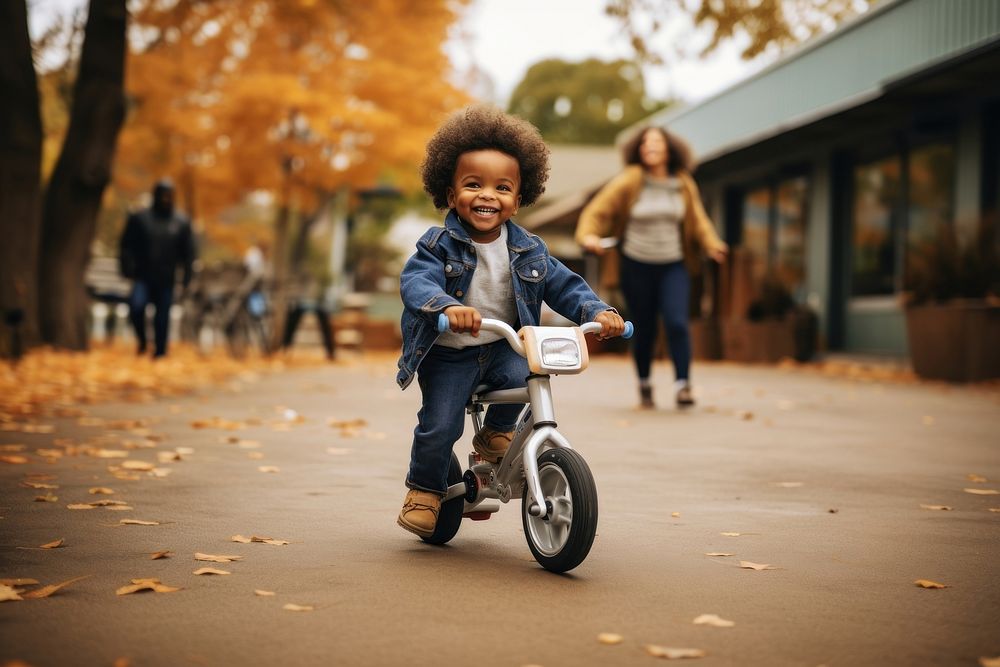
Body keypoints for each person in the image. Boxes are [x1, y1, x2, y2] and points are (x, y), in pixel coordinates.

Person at [395, 105, 626, 538]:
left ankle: (496, 434)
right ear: (450, 194)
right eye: (473, 184)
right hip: (449, 354)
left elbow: (566, 285)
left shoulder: (530, 250)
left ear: (518, 200)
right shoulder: (438, 246)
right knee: (440, 425)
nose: (487, 195)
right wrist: (445, 306)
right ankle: (424, 490)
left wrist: (597, 312)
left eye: (502, 187)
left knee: (529, 368)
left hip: (502, 345)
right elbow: (416, 282)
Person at [576, 126, 727, 410]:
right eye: (645, 143)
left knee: (676, 322)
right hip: (636, 264)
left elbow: (699, 219)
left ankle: (683, 385)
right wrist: (589, 236)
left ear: (670, 149)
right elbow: (597, 211)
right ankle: (644, 384)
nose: (650, 147)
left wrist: (712, 243)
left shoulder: (682, 182)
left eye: (656, 142)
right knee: (643, 327)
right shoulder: (631, 180)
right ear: (638, 150)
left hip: (674, 264)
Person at [119, 179, 196, 358]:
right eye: (162, 195)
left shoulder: (181, 222)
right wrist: (126, 268)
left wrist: (186, 278)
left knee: (162, 316)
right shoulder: (140, 218)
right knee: (136, 307)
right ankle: (143, 342)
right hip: (142, 275)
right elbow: (126, 245)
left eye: (169, 195)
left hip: (166, 277)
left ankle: (160, 352)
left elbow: (188, 253)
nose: (165, 199)